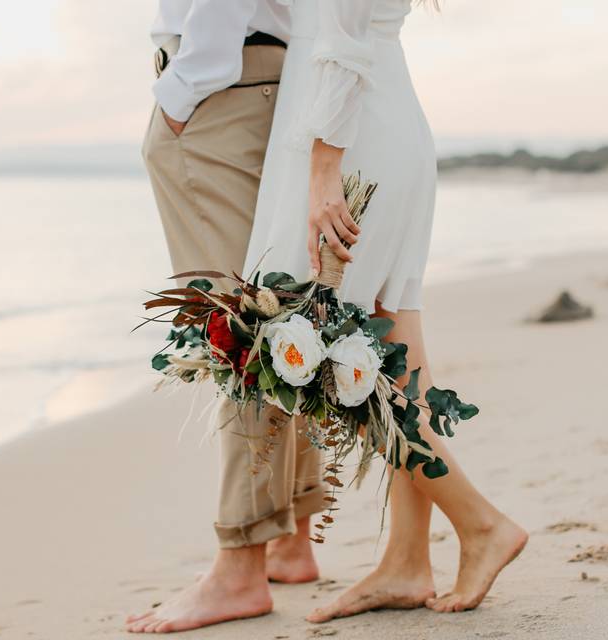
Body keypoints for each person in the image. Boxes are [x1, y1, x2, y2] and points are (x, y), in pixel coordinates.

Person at [244, 0, 529, 621]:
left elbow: (342, 42)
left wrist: (324, 175)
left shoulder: (334, 153)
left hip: (350, 141)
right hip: (368, 122)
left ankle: (480, 524)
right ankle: (406, 562)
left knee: (341, 359)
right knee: (395, 352)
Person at [125, 1, 326, 634]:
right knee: (284, 316)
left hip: (220, 86)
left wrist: (182, 87)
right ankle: (292, 539)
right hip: (279, 79)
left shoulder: (201, 81)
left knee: (240, 332)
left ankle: (241, 563)